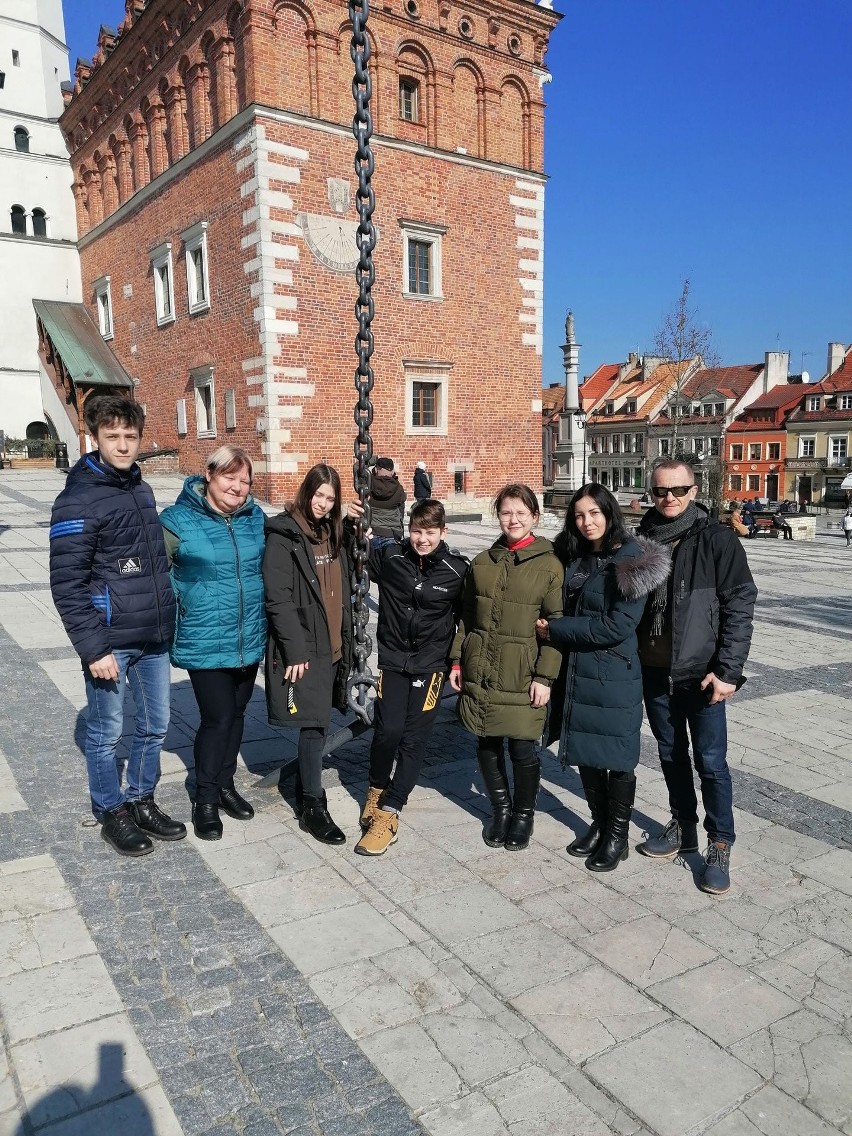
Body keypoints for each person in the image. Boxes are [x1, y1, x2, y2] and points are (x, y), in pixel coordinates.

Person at [49, 395, 184, 856]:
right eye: (113, 437)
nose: (123, 445)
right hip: (111, 643)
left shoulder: (139, 487)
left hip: (153, 636)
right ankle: (111, 810)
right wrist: (93, 649)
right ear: (95, 437)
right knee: (106, 733)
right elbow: (67, 584)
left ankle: (141, 798)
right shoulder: (79, 497)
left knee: (155, 727)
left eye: (130, 436)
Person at [635, 459, 757, 895]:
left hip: (701, 674)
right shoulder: (640, 540)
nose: (669, 498)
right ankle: (683, 825)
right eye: (660, 491)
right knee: (669, 755)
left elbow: (740, 606)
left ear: (693, 489)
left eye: (678, 490)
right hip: (654, 671)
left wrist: (728, 672)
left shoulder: (717, 539)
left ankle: (719, 842)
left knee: (710, 762)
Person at [539, 485, 669, 872]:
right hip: (577, 670)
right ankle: (598, 824)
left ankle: (618, 836)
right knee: (587, 753)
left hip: (613, 672)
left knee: (618, 759)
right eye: (579, 515)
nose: (587, 522)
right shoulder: (573, 556)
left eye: (594, 513)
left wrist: (555, 630)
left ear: (609, 513)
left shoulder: (632, 561)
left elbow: (617, 625)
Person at [350, 499, 468, 855]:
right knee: (387, 732)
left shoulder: (457, 570)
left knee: (413, 740)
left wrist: (458, 661)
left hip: (430, 667)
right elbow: (354, 546)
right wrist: (349, 521)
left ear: (443, 532)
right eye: (417, 531)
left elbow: (466, 619)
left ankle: (390, 811)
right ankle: (375, 789)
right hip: (393, 662)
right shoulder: (392, 559)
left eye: (430, 532)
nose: (422, 539)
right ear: (408, 528)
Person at [160, 446, 267, 840]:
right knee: (218, 717)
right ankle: (204, 797)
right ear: (209, 474)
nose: (238, 487)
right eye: (229, 477)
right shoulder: (176, 522)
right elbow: (153, 576)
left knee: (237, 715)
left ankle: (225, 785)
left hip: (248, 634)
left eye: (245, 481)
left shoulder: (255, 519)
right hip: (204, 636)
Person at [449, 484, 563, 851]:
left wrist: (545, 676)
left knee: (523, 749)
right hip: (481, 666)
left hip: (522, 671)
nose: (512, 519)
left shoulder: (549, 564)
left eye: (520, 512)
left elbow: (556, 626)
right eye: (505, 512)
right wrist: (457, 660)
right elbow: (466, 618)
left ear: (534, 516)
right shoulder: (483, 562)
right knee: (486, 741)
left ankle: (523, 815)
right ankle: (500, 809)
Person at [263, 463, 353, 844]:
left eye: (330, 499)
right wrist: (294, 651)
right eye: (318, 495)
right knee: (314, 725)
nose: (323, 504)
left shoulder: (334, 534)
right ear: (306, 492)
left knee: (321, 721)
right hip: (307, 649)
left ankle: (308, 793)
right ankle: (312, 805)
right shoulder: (284, 536)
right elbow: (278, 599)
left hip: (333, 645)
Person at [368, 457, 406, 539]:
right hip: (392, 533)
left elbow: (357, 468)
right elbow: (401, 511)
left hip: (372, 531)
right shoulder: (399, 488)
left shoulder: (368, 485)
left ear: (376, 470)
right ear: (392, 471)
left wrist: (371, 460)